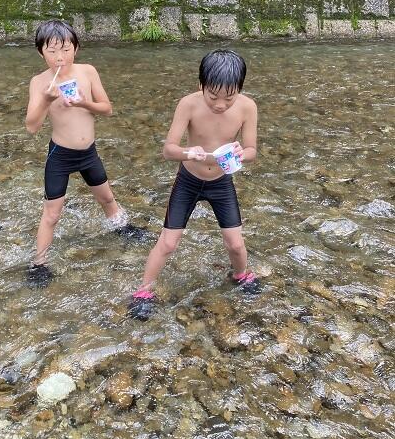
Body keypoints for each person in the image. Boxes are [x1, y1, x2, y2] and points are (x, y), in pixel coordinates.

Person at [129, 49, 260, 320]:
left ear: (240, 89)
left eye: (229, 98)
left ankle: (241, 275)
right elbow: (169, 150)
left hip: (221, 181)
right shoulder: (188, 104)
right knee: (168, 243)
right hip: (188, 180)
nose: (221, 104)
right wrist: (188, 152)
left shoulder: (248, 107)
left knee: (235, 244)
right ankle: (143, 292)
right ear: (201, 85)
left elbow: (251, 151)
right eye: (213, 96)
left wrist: (240, 154)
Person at [25, 19, 134, 285]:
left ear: (76, 48)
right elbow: (31, 126)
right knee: (52, 214)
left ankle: (123, 229)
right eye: (52, 51)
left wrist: (84, 103)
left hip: (88, 153)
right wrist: (46, 101)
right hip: (60, 155)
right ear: (41, 53)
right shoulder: (39, 83)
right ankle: (39, 263)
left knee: (107, 198)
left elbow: (107, 109)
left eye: (65, 49)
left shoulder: (87, 72)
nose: (59, 57)